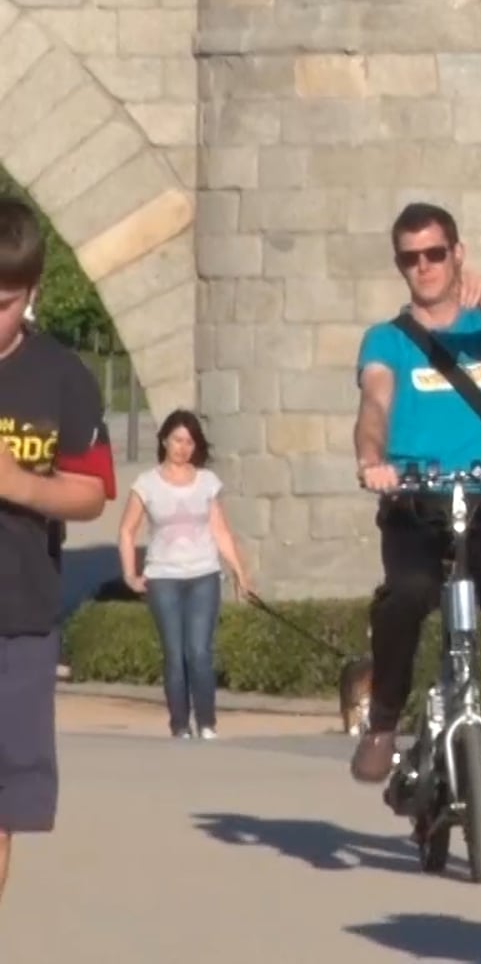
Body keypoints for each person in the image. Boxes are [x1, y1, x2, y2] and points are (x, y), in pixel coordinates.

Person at [349, 202, 481, 794]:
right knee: (407, 595)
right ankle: (383, 722)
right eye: (410, 258)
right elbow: (374, 404)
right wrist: (372, 459)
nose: (424, 266)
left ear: (456, 254)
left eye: (435, 253)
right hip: (415, 500)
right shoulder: (387, 340)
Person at [0, 197, 116, 908]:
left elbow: (92, 492)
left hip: (18, 615)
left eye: (3, 304)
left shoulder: (62, 376)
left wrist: (19, 484)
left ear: (31, 293)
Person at [115, 410, 252, 740]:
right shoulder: (146, 483)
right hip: (163, 577)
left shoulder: (207, 482)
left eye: (189, 442)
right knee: (175, 655)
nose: (183, 448)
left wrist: (239, 572)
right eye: (177, 440)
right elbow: (127, 530)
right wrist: (131, 575)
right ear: (164, 440)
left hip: (203, 574)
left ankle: (207, 723)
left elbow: (220, 531)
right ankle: (179, 725)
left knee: (199, 652)